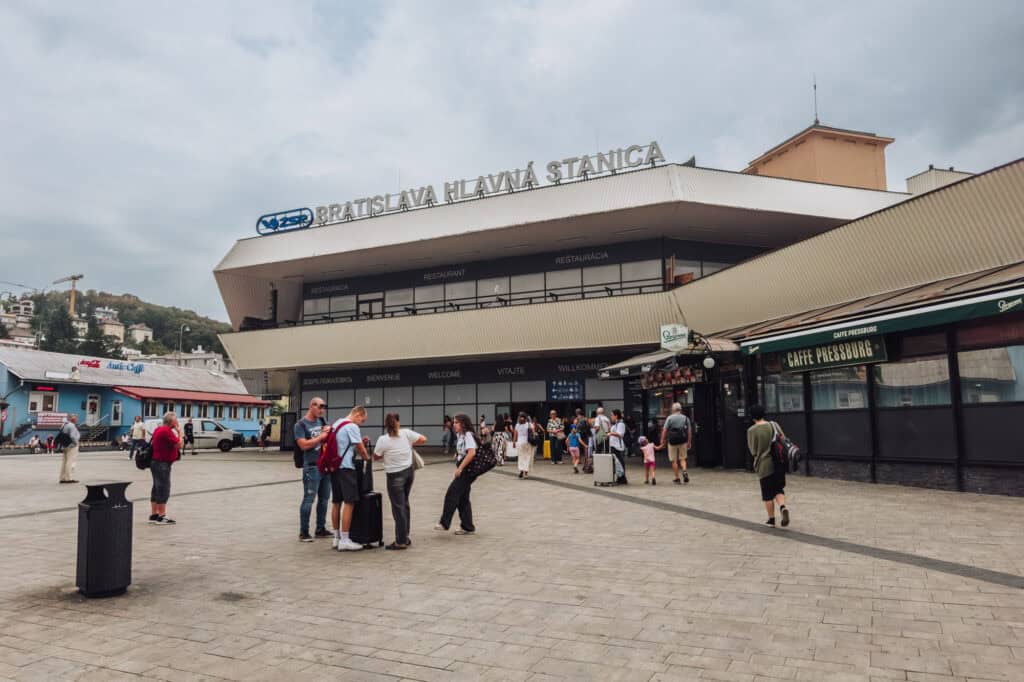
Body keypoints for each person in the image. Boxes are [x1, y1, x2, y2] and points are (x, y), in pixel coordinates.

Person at [374, 413, 426, 550]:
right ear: (398, 422)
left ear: (386, 425)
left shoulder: (383, 440)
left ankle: (401, 541)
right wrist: (409, 444)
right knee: (404, 504)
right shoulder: (406, 433)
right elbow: (423, 439)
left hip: (394, 476)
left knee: (398, 507)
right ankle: (405, 536)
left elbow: (376, 456)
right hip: (409, 473)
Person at [330, 405, 370, 551]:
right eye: (362, 420)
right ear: (358, 414)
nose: (361, 423)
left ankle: (336, 537)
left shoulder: (336, 424)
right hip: (346, 468)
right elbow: (360, 448)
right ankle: (345, 540)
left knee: (336, 502)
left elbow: (344, 445)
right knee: (349, 502)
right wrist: (367, 458)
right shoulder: (352, 426)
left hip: (334, 468)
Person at [294, 397, 333, 542]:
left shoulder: (322, 421)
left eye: (323, 407)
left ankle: (320, 529)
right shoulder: (300, 425)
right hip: (312, 467)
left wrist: (329, 432)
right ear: (311, 406)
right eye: (320, 407)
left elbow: (328, 438)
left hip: (325, 466)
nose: (322, 410)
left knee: (324, 499)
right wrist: (321, 437)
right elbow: (303, 445)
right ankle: (303, 532)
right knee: (309, 499)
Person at [435, 414, 480, 535]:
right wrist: (457, 454)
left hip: (467, 471)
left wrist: (460, 468)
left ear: (463, 424)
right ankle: (468, 526)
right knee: (463, 499)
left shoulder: (468, 435)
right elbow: (463, 450)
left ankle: (444, 523)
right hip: (464, 469)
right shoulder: (460, 435)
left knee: (452, 493)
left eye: (456, 422)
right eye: (453, 422)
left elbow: (471, 453)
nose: (453, 424)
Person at [747, 404, 790, 528]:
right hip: (778, 463)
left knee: (767, 494)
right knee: (778, 489)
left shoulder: (751, 430)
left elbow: (753, 450)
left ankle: (771, 520)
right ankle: (783, 507)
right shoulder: (773, 425)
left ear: (753, 417)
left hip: (764, 465)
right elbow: (783, 439)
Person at [149, 412, 183, 524]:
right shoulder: (166, 431)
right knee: (164, 488)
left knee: (156, 487)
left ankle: (154, 514)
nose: (177, 421)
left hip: (156, 462)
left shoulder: (159, 429)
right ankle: (162, 516)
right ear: (171, 421)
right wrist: (180, 433)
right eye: (176, 419)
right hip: (162, 464)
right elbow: (179, 445)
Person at [658, 403, 692, 485]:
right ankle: (684, 471)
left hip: (672, 441)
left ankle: (677, 478)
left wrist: (662, 440)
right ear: (680, 409)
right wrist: (689, 442)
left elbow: (665, 430)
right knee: (683, 458)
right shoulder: (686, 418)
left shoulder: (670, 418)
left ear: (673, 409)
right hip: (683, 441)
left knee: (674, 460)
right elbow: (689, 431)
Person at [58, 414, 81, 484]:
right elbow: (73, 436)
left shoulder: (64, 425)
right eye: (76, 418)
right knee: (70, 462)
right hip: (72, 446)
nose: (77, 419)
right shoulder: (72, 426)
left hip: (65, 445)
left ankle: (62, 478)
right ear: (74, 419)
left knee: (64, 462)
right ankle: (68, 478)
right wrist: (76, 443)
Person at [609, 409, 628, 484]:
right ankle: (620, 478)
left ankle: (622, 478)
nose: (611, 417)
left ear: (616, 415)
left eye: (612, 415)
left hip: (618, 446)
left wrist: (610, 433)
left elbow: (620, 434)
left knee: (619, 462)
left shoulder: (621, 424)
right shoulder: (616, 424)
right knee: (617, 463)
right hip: (614, 445)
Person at [513, 413, 534, 479]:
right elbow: (533, 433)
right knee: (527, 457)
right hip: (527, 443)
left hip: (520, 443)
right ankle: (526, 473)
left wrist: (514, 442)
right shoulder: (529, 424)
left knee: (521, 457)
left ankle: (521, 470)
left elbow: (515, 435)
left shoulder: (517, 425)